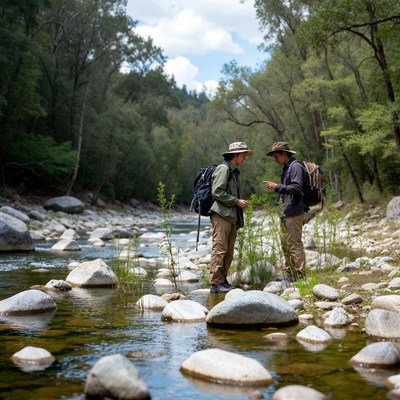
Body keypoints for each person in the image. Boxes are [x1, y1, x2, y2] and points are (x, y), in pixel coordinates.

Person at [209, 142, 253, 294]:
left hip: (231, 216)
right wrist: (236, 201)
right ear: (235, 155)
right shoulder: (224, 168)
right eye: (243, 155)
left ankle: (223, 280)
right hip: (221, 215)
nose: (245, 158)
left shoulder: (234, 172)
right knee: (220, 249)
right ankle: (215, 283)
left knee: (228, 251)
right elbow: (217, 191)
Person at [263, 142, 308, 281]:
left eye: (276, 156)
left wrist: (277, 186)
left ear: (284, 153)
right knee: (285, 243)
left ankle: (300, 274)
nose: (275, 159)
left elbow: (296, 188)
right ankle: (290, 273)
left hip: (294, 211)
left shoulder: (296, 167)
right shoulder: (287, 167)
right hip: (286, 212)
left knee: (294, 243)